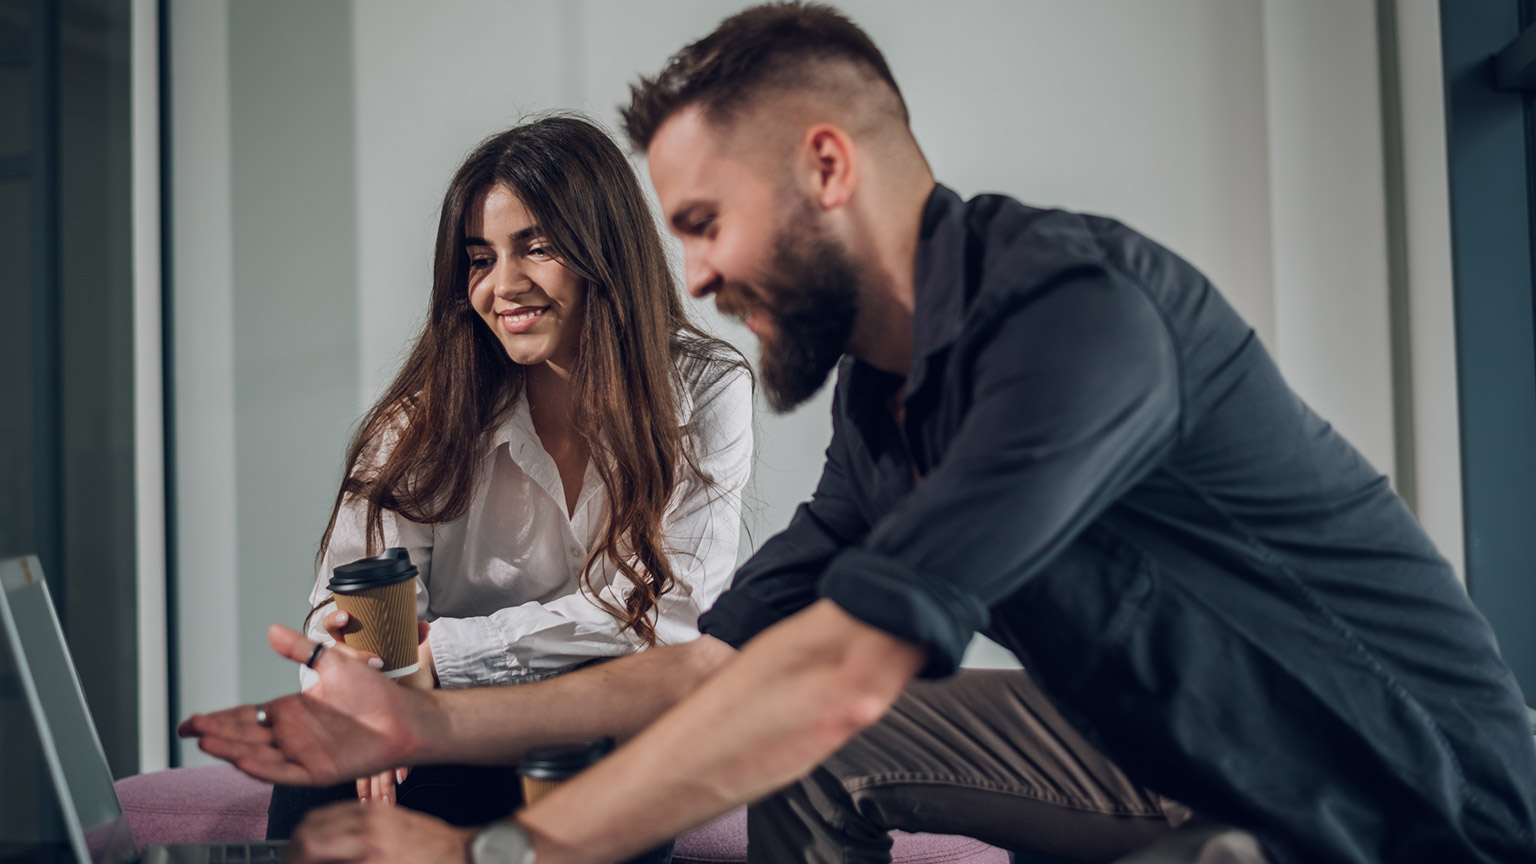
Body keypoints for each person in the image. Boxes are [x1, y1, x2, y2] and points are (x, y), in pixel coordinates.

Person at [180, 4, 1536, 863]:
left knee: (824, 713)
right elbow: (707, 669)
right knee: (810, 749)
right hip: (1174, 764)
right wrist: (421, 722)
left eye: (705, 223)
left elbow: (835, 673)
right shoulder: (887, 414)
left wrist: (500, 852)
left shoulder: (1073, 314)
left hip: (1421, 814)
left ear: (826, 166)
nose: (693, 276)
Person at [260, 114, 754, 852]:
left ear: (603, 254)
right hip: (439, 732)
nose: (503, 286)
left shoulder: (705, 391)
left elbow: (665, 619)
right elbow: (355, 603)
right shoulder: (421, 419)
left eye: (538, 248)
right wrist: (365, 676)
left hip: (604, 733)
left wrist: (445, 660)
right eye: (480, 258)